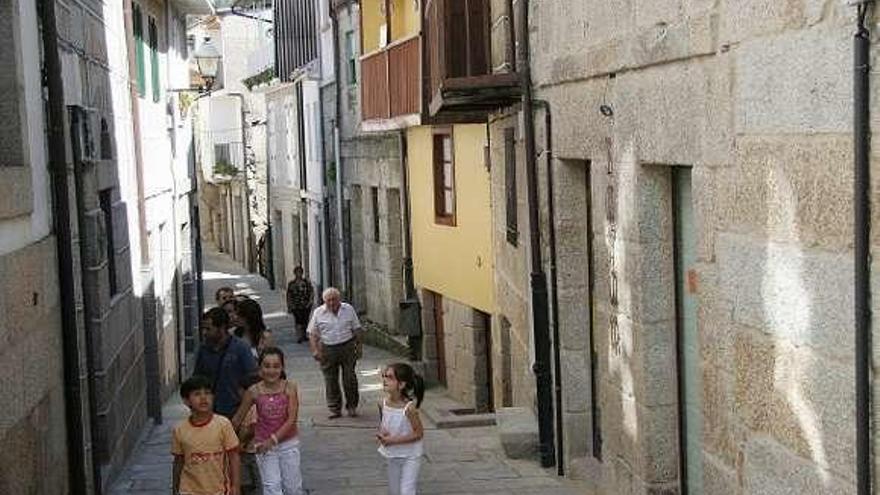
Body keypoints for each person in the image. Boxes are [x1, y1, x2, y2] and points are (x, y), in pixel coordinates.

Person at [232, 347, 303, 495]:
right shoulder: (253, 391)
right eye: (267, 366)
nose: (271, 371)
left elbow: (291, 420)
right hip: (263, 446)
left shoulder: (290, 388)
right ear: (260, 367)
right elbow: (238, 418)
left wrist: (272, 440)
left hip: (288, 443)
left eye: (276, 366)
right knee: (272, 487)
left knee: (293, 488)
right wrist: (225, 439)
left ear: (282, 367)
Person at [172, 375, 241, 495]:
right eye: (197, 394)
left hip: (218, 490)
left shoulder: (223, 424)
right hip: (188, 489)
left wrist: (236, 486)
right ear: (186, 400)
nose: (203, 398)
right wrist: (175, 487)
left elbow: (234, 457)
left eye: (208, 393)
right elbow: (179, 461)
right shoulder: (180, 429)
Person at [307, 287, 365, 419]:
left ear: (339, 299)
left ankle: (351, 406)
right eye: (329, 300)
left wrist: (359, 347)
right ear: (324, 301)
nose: (332, 303)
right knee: (330, 379)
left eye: (334, 300)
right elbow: (312, 334)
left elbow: (357, 329)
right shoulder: (318, 313)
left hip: (347, 347)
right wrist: (315, 350)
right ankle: (334, 408)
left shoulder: (348, 309)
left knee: (349, 378)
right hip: (328, 348)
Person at [194, 307, 259, 418]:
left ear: (222, 328)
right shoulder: (203, 349)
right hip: (211, 412)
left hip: (236, 411)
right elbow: (197, 378)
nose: (204, 333)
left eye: (208, 329)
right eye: (203, 329)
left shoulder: (240, 348)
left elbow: (253, 380)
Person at [377, 363, 425, 495]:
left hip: (411, 454)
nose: (385, 380)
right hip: (392, 454)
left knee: (406, 491)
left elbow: (419, 433)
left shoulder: (409, 409)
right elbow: (384, 424)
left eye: (390, 377)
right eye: (384, 376)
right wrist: (382, 434)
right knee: (395, 491)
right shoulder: (382, 404)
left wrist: (393, 440)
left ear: (402, 384)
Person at [237, 374, 263, 495]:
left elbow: (253, 428)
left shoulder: (253, 407)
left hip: (249, 450)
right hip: (251, 449)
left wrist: (243, 443)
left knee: (251, 479)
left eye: (241, 391)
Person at [286, 267, 314, 344]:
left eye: (300, 272)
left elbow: (311, 292)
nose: (299, 274)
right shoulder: (291, 284)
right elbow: (289, 295)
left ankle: (304, 335)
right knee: (298, 321)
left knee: (305, 321)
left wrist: (310, 302)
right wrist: (289, 305)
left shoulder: (306, 283)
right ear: (294, 273)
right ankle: (299, 336)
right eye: (297, 272)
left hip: (305, 305)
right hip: (296, 306)